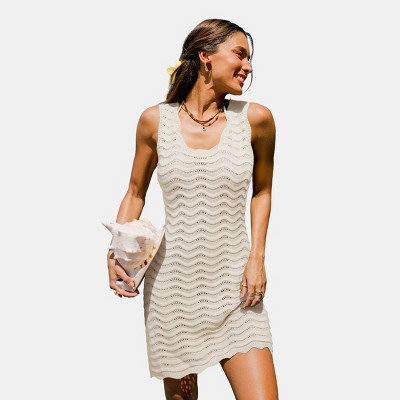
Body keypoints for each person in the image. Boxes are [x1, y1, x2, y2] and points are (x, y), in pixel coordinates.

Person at [106, 18, 278, 400]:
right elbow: (135, 192)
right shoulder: (155, 121)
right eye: (240, 54)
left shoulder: (256, 120)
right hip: (172, 291)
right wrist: (117, 252)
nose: (248, 67)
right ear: (205, 56)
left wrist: (257, 258)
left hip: (237, 287)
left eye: (249, 58)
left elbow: (263, 192)